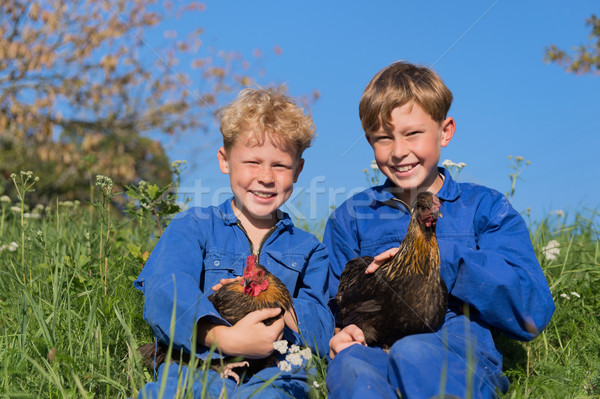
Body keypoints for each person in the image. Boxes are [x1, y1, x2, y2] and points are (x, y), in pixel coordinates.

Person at [323, 61, 555, 399]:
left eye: (412, 133)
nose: (399, 151)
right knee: (350, 367)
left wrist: (435, 260)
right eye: (383, 138)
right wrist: (342, 332)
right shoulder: (352, 217)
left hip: (456, 341)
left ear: (444, 131)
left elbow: (531, 310)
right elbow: (333, 300)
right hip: (373, 339)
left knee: (414, 353)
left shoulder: (484, 208)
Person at [135, 87, 334, 398]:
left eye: (280, 165)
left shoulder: (309, 250)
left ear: (298, 170)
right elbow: (165, 288)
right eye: (252, 162)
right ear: (225, 160)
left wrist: (273, 303)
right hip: (198, 359)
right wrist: (224, 338)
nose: (266, 177)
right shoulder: (194, 226)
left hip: (277, 367)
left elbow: (321, 328)